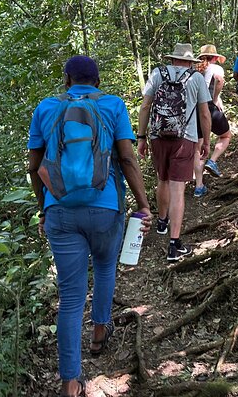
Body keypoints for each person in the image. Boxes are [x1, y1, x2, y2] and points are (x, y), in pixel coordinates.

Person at [28, 55, 152, 397]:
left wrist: (44, 210)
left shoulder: (47, 108)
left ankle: (70, 381)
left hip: (60, 212)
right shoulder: (112, 105)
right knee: (105, 266)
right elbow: (127, 158)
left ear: (67, 80)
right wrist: (143, 205)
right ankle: (99, 332)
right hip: (105, 207)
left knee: (70, 298)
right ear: (97, 81)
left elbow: (34, 166)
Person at [137, 43, 211, 262]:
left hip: (158, 137)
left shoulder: (157, 74)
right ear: (190, 61)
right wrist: (206, 140)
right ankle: (174, 245)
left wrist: (141, 137)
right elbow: (204, 114)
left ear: (172, 59)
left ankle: (161, 221)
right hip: (184, 138)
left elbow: (145, 106)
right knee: (178, 189)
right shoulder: (196, 78)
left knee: (163, 180)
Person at [193, 44, 232, 198]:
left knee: (198, 146)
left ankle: (199, 186)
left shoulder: (195, 70)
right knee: (226, 135)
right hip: (208, 107)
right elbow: (220, 81)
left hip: (194, 109)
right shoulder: (216, 69)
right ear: (215, 57)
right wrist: (215, 99)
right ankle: (213, 161)